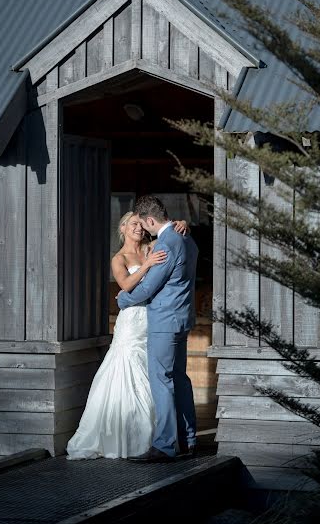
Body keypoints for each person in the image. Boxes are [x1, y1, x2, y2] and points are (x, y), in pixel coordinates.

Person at [66, 211, 188, 460]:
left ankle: (162, 436)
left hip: (154, 316)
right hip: (132, 320)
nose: (139, 229)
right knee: (127, 367)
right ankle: (130, 436)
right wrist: (147, 265)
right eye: (134, 224)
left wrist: (184, 223)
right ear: (122, 228)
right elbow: (125, 286)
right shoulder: (119, 258)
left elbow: (171, 235)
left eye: (141, 225)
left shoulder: (153, 246)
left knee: (155, 373)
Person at [117, 195, 199, 463]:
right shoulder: (185, 236)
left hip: (164, 321)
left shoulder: (167, 242)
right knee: (179, 379)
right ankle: (188, 440)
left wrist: (123, 299)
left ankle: (165, 446)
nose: (143, 229)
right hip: (182, 318)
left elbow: (149, 287)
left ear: (150, 220)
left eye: (144, 224)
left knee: (161, 381)